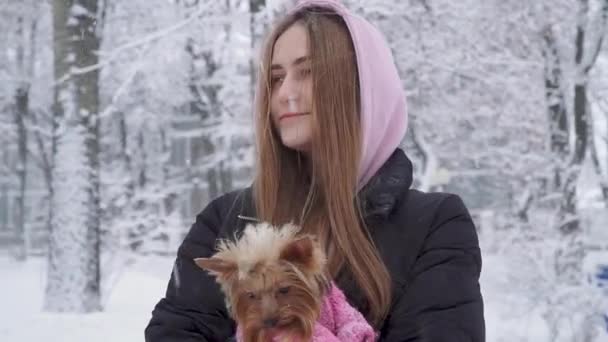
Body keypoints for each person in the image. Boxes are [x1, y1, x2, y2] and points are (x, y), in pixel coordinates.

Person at [145, 0, 485, 341]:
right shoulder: (228, 219)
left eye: (307, 72)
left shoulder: (433, 225)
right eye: (276, 78)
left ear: (362, 87)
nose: (285, 94)